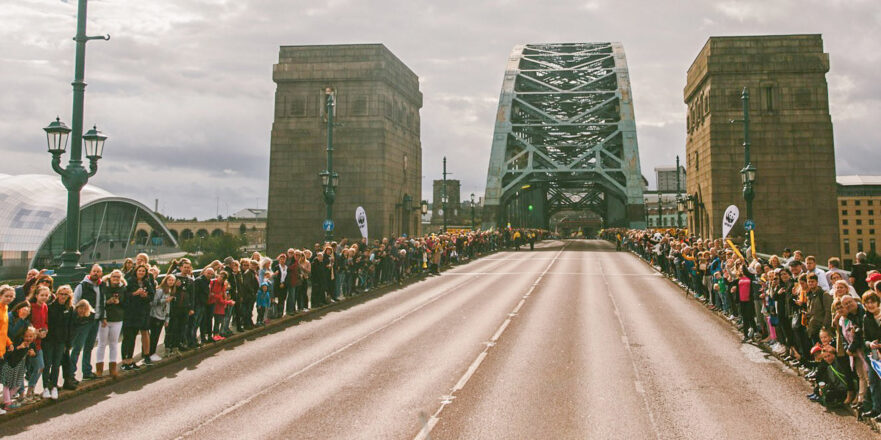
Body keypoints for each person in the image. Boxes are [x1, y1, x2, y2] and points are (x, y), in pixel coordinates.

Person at [71, 264, 103, 381]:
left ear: (101, 274)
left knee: (89, 347)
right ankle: (71, 374)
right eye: (94, 271)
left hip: (96, 320)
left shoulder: (101, 285)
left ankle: (87, 371)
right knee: (77, 348)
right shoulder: (82, 286)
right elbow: (74, 302)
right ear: (90, 272)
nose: (95, 273)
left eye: (98, 272)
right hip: (84, 321)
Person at [43, 285, 75, 400]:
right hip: (49, 340)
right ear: (57, 294)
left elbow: (70, 326)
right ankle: (46, 387)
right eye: (61, 294)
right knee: (47, 365)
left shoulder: (70, 308)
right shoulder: (50, 307)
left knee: (56, 365)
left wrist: (68, 343)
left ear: (69, 296)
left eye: (65, 294)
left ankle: (54, 386)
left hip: (61, 341)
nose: (63, 296)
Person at [122, 265, 154, 371]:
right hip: (130, 313)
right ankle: (125, 361)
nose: (141, 272)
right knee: (127, 337)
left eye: (143, 271)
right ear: (136, 271)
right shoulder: (130, 281)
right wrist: (135, 294)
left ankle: (130, 360)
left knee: (133, 337)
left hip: (140, 313)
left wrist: (145, 296)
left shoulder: (147, 282)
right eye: (139, 271)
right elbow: (124, 296)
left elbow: (151, 296)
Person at [98, 269, 125, 378]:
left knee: (114, 343)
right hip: (105, 319)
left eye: (118, 277)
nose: (116, 279)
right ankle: (99, 369)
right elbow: (99, 301)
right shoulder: (103, 286)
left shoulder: (123, 288)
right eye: (114, 277)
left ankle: (112, 368)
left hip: (117, 319)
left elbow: (125, 302)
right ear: (110, 277)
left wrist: (119, 302)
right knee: (102, 343)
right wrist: (107, 302)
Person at [1, 327, 37, 412]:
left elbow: (34, 353)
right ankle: (7, 403)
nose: (28, 338)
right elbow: (10, 353)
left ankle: (6, 401)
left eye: (30, 336)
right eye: (26, 336)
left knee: (17, 384)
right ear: (23, 336)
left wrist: (33, 354)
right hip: (11, 365)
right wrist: (19, 347)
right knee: (7, 384)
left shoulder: (32, 344)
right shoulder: (18, 342)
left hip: (20, 367)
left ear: (34, 337)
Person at [26, 286, 50, 401]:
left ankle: (30, 391)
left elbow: (45, 322)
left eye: (46, 295)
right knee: (39, 367)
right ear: (36, 295)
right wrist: (34, 331)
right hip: (30, 342)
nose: (44, 297)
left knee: (38, 367)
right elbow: (26, 322)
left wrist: (44, 331)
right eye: (42, 295)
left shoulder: (45, 307)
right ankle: (26, 393)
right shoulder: (31, 307)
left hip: (39, 341)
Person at [148, 275, 172, 361]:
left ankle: (151, 353)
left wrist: (167, 319)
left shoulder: (169, 291)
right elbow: (153, 303)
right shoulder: (159, 290)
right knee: (153, 336)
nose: (171, 282)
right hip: (155, 316)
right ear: (165, 280)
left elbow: (168, 307)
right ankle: (150, 354)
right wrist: (165, 300)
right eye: (169, 280)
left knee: (156, 336)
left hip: (162, 316)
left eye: (173, 281)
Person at [208, 272, 234, 341]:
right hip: (211, 304)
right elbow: (211, 294)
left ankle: (216, 334)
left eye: (223, 278)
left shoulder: (222, 285)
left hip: (219, 306)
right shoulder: (212, 282)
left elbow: (221, 297)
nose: (221, 278)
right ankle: (212, 336)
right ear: (218, 275)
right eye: (221, 276)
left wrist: (216, 295)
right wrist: (227, 302)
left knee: (218, 321)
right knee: (210, 321)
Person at [194, 268, 215, 345]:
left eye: (211, 274)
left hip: (205, 304)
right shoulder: (199, 280)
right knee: (196, 323)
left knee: (203, 322)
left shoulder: (208, 281)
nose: (209, 275)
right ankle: (194, 340)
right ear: (204, 272)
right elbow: (196, 293)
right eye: (208, 273)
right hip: (199, 304)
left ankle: (203, 338)